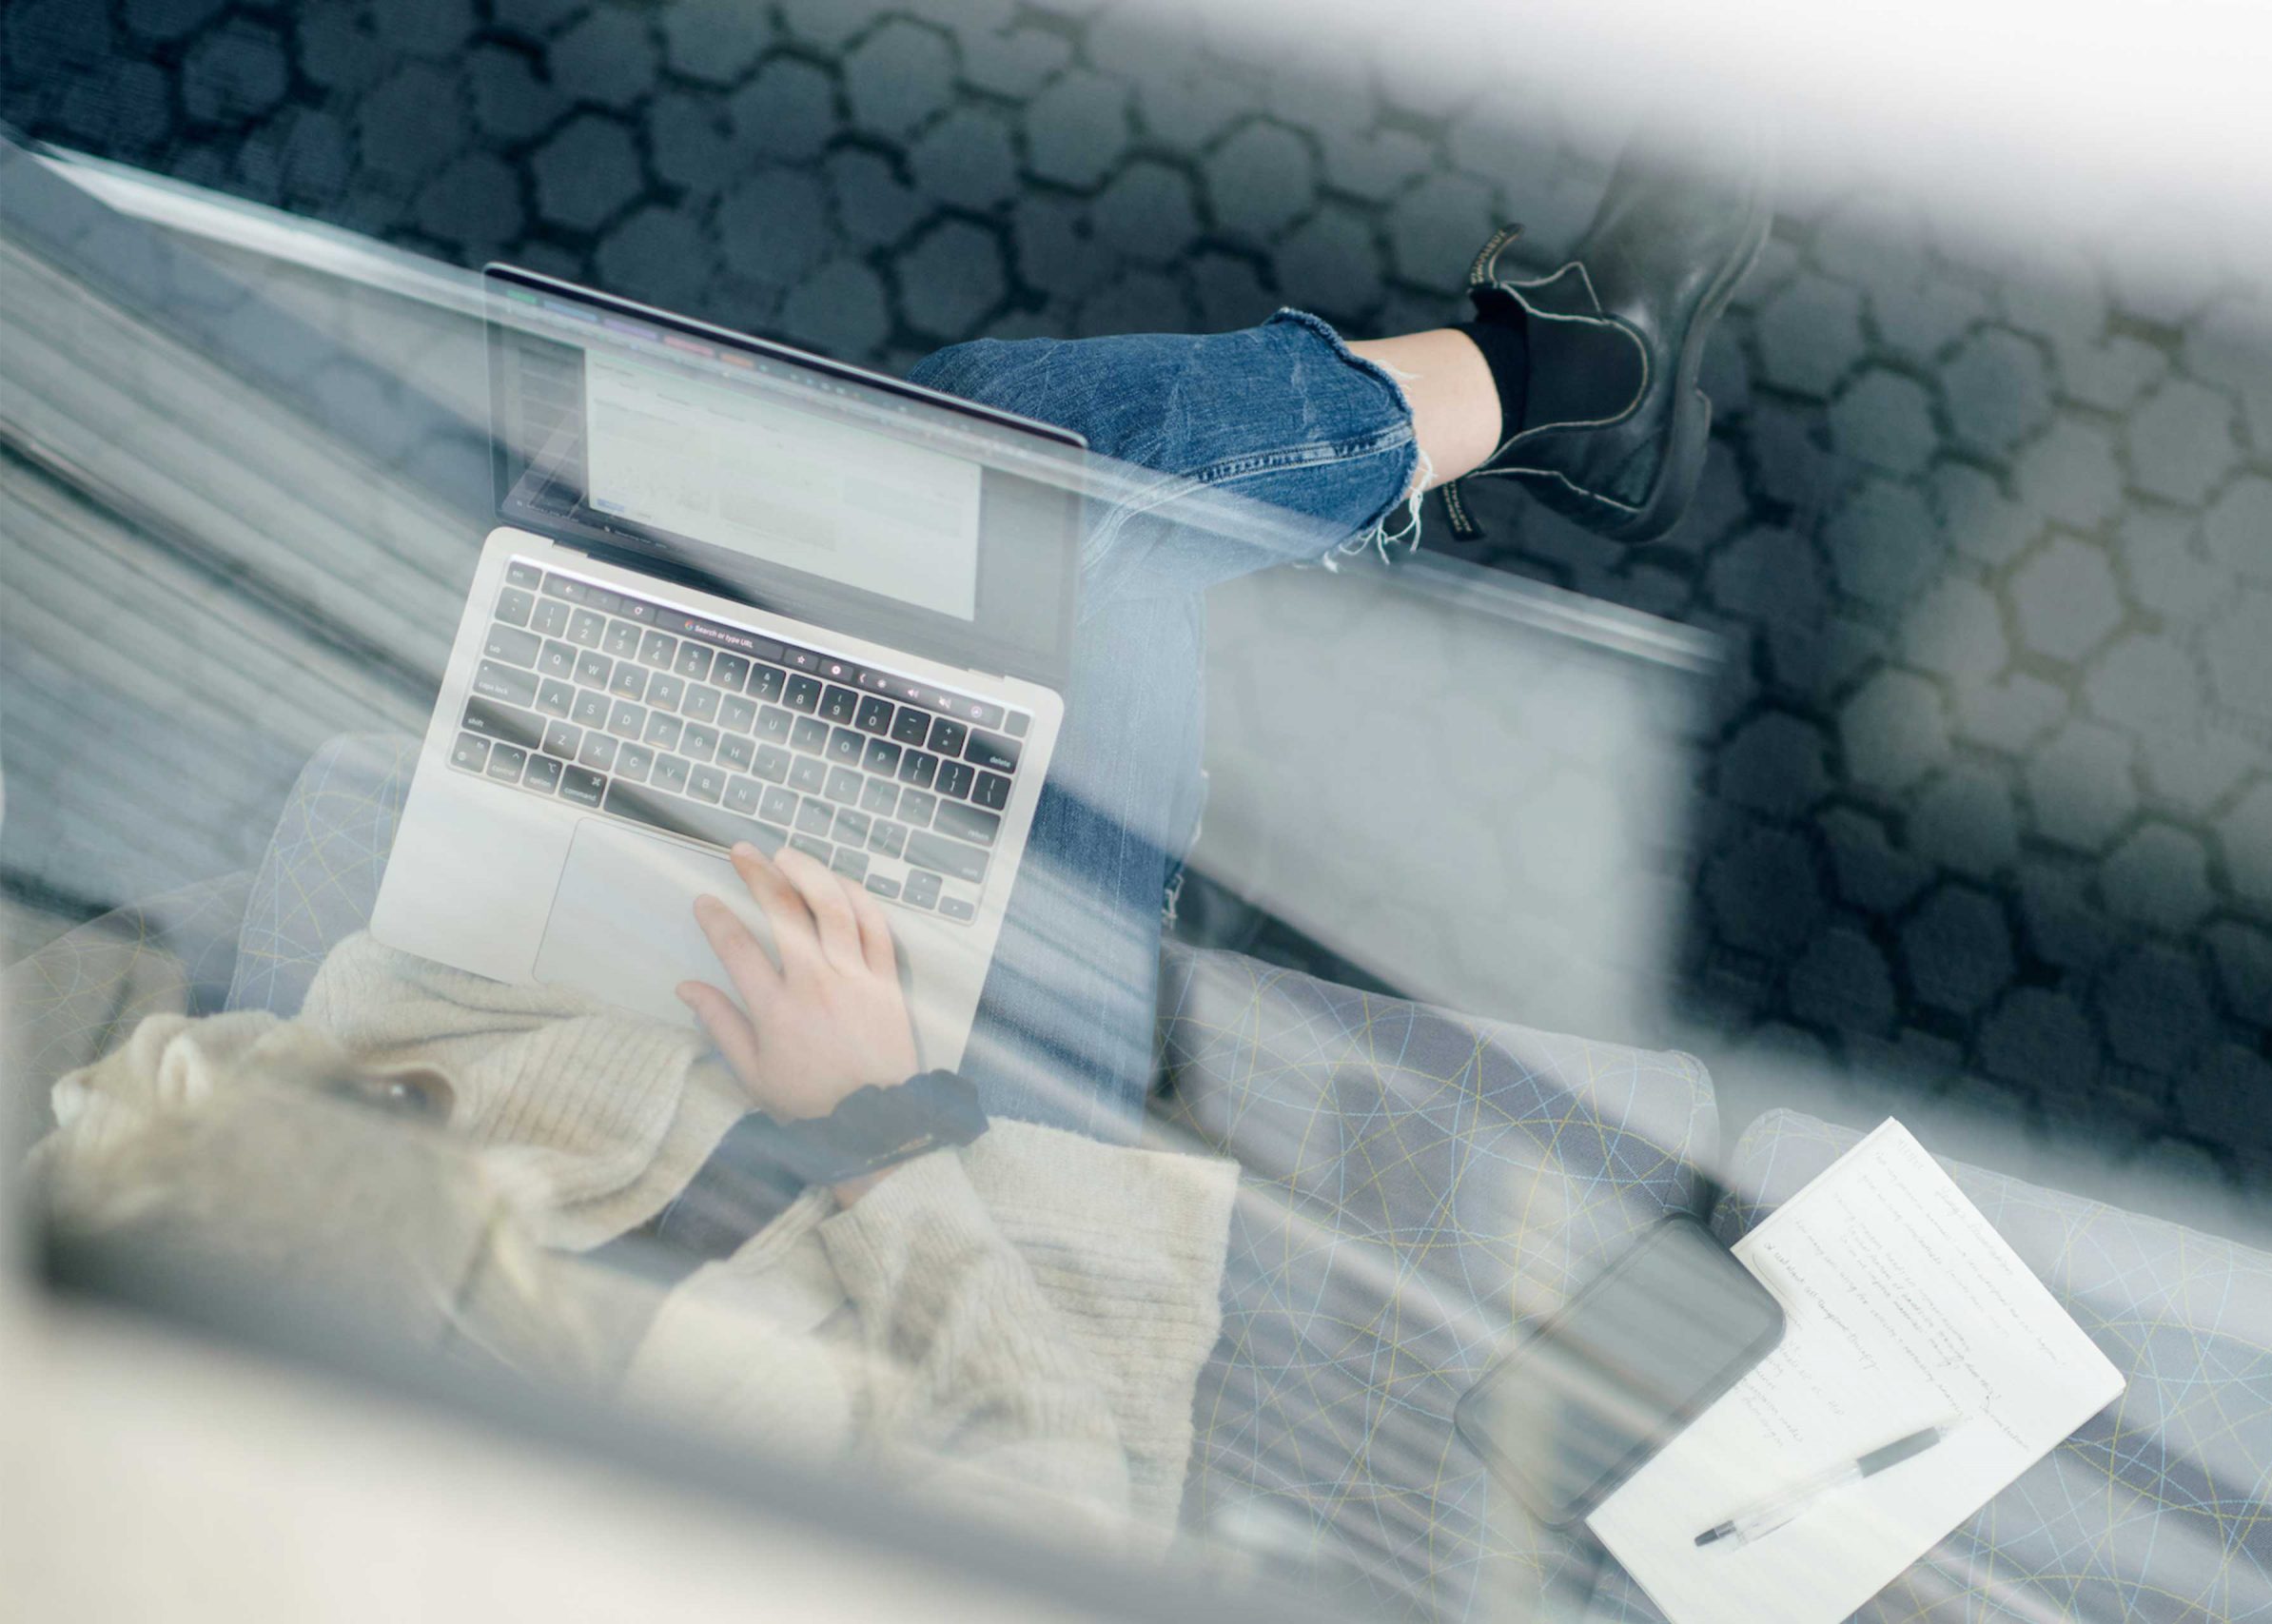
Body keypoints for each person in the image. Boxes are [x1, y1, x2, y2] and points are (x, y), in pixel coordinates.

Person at [31, 146, 1768, 1550]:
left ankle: (1549, 388)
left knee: (888, 478)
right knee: (1050, 500)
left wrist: (321, 1103)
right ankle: (1552, 380)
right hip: (957, 1126)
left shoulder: (90, 1474)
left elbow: (125, 1104)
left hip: (518, 982)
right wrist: (875, 1124)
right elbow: (1068, 1479)